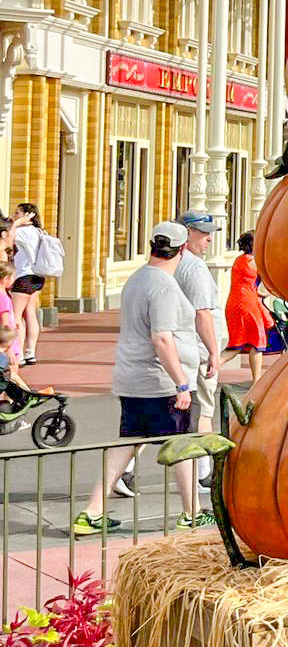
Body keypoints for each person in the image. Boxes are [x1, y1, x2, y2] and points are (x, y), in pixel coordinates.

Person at [73, 222, 207, 536]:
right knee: (181, 442)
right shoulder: (163, 286)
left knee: (129, 442)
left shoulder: (137, 278)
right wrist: (181, 383)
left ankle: (91, 512)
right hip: (158, 381)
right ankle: (191, 513)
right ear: (183, 249)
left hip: (131, 377)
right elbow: (162, 338)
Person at [174, 213, 223, 485]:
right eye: (203, 233)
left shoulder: (176, 263)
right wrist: (214, 352)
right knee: (202, 409)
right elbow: (202, 313)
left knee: (171, 414)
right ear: (186, 232)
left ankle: (126, 468)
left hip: (184, 346)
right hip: (197, 349)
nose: (209, 239)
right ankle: (203, 475)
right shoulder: (193, 268)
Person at [225, 231, 270, 383]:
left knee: (236, 344)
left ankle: (212, 365)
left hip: (233, 302)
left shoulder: (238, 260)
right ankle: (257, 380)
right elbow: (268, 281)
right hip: (249, 303)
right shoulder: (255, 261)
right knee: (257, 342)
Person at [10, 202, 45, 366]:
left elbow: (5, 234)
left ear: (27, 215)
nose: (14, 215)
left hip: (23, 276)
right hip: (37, 276)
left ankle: (19, 353)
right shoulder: (39, 231)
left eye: (17, 213)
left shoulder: (22, 232)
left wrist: (18, 223)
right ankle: (30, 351)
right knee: (30, 313)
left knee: (16, 316)